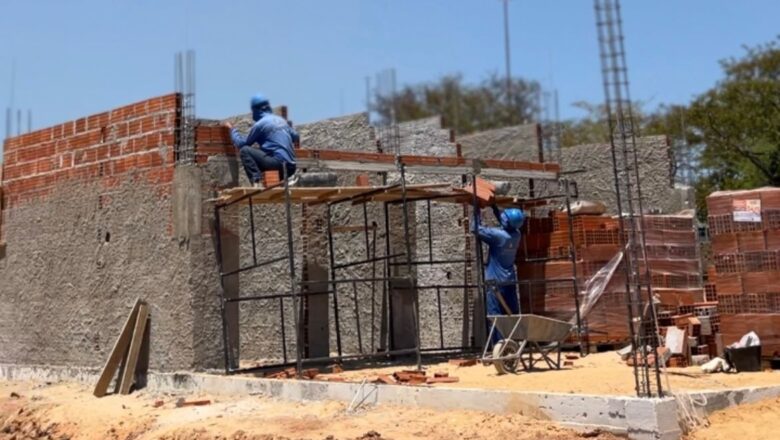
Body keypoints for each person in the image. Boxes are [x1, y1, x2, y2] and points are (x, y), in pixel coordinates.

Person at [474, 204, 525, 344]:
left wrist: (476, 210)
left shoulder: (498, 236)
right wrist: (494, 207)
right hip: (509, 281)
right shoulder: (516, 235)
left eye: (504, 216)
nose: (502, 216)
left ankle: (499, 346)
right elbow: (507, 223)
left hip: (495, 283)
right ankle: (514, 341)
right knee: (511, 313)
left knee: (495, 315)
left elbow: (475, 229)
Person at [224, 94, 299, 189]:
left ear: (256, 110)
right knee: (264, 153)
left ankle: (257, 181)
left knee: (245, 150)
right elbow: (295, 136)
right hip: (291, 167)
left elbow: (241, 144)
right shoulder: (281, 121)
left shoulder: (260, 124)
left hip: (278, 165)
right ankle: (283, 181)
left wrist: (232, 129)